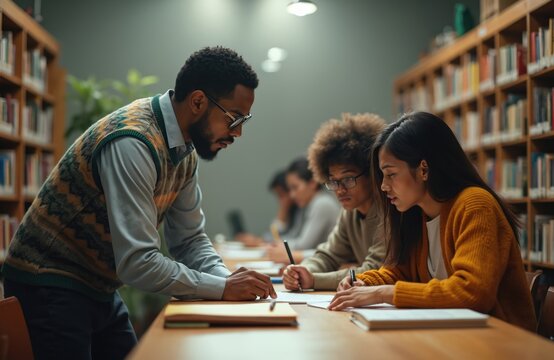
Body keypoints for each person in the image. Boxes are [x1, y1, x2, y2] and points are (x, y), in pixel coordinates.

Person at [2, 46, 276, 359]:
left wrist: (227, 281)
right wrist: (223, 288)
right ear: (198, 101)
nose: (238, 132)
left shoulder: (184, 151)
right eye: (234, 118)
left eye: (244, 120)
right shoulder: (133, 141)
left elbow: (189, 241)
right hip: (49, 280)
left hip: (97, 284)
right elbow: (138, 262)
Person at [328, 112, 536, 331]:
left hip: (501, 341)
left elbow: (472, 293)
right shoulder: (416, 212)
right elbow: (398, 272)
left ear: (423, 169)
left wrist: (383, 293)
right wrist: (364, 283)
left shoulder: (475, 204)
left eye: (390, 174)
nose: (383, 186)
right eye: (382, 176)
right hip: (453, 335)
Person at [283, 113, 387, 291]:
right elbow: (327, 255)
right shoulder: (350, 212)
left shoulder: (390, 210)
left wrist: (314, 280)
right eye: (333, 181)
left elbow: (374, 269)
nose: (339, 189)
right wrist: (302, 271)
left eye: (348, 179)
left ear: (372, 173)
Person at [266, 157, 340, 263]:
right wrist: (277, 244)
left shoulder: (322, 203)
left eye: (295, 187)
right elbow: (294, 235)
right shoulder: (308, 204)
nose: (292, 195)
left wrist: (277, 245)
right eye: (290, 189)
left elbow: (303, 246)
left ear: (312, 183)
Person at [235, 169, 301, 247]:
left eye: (281, 195)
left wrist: (261, 241)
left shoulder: (301, 209)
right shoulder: (290, 210)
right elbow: (273, 234)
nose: (280, 200)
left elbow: (293, 238)